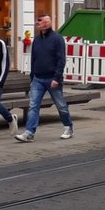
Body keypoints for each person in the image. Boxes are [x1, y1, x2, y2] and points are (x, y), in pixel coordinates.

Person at [16, 14, 72, 142]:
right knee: (33, 105)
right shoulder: (37, 40)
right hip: (38, 78)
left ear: (48, 23)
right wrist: (32, 77)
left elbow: (61, 60)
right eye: (38, 22)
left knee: (60, 105)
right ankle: (29, 132)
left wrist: (57, 78)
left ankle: (68, 126)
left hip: (52, 78)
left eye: (41, 22)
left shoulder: (57, 39)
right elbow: (34, 58)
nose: (38, 24)